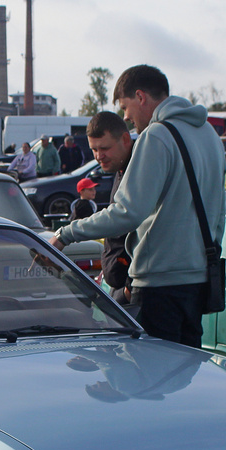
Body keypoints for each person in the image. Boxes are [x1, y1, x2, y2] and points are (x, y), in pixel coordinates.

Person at [52, 65, 226, 347]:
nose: (126, 117)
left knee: (151, 382)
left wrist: (66, 234)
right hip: (199, 281)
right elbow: (218, 213)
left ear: (141, 96)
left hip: (159, 285)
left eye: (125, 107)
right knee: (184, 377)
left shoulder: (156, 136)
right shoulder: (208, 135)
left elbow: (127, 213)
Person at [84, 111, 135, 305]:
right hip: (120, 287)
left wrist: (130, 290)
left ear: (124, 139)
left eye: (104, 148)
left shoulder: (137, 172)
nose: (98, 156)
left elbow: (147, 231)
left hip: (132, 293)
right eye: (94, 149)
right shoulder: (120, 168)